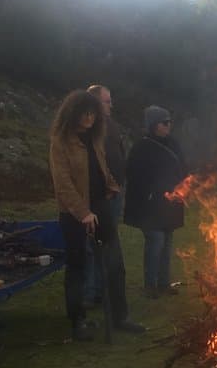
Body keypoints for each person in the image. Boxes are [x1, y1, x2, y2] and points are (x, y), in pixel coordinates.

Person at [49, 90, 145, 340]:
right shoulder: (60, 143)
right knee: (78, 267)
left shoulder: (95, 139)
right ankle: (78, 321)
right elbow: (63, 185)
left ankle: (120, 316)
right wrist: (83, 213)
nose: (90, 117)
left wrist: (112, 187)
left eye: (93, 113)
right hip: (73, 214)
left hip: (101, 206)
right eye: (85, 113)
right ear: (74, 113)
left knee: (115, 264)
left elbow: (101, 169)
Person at [124, 105, 188, 298]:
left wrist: (183, 189)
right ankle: (150, 285)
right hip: (150, 206)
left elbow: (183, 168)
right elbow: (135, 177)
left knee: (167, 243)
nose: (169, 126)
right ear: (153, 125)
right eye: (164, 122)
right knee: (156, 242)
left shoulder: (173, 143)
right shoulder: (141, 147)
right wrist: (153, 192)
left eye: (169, 122)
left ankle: (163, 283)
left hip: (171, 204)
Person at [83, 84, 126, 307]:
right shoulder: (89, 129)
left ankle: (103, 291)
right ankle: (90, 293)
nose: (111, 105)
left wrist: (118, 184)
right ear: (95, 103)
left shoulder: (112, 125)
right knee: (92, 246)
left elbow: (119, 154)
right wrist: (106, 188)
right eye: (107, 101)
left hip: (116, 192)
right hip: (99, 196)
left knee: (110, 243)